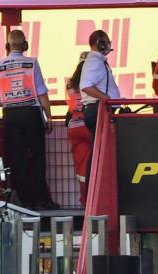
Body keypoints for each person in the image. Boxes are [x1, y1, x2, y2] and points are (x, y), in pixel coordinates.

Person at [0, 29, 56, 210]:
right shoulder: (32, 63)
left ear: (7, 46)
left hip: (10, 115)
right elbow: (41, 93)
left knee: (18, 158)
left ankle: (24, 201)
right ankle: (42, 200)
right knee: (37, 156)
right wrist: (49, 117)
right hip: (31, 113)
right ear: (25, 45)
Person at [80, 30, 121, 190]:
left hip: (98, 109)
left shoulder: (97, 61)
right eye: (107, 41)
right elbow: (86, 86)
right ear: (100, 43)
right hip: (98, 110)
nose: (109, 45)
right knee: (98, 153)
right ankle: (95, 189)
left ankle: (95, 189)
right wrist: (106, 99)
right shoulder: (94, 61)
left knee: (98, 152)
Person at [65, 52, 90, 205]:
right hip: (89, 126)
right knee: (96, 163)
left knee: (81, 166)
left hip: (74, 127)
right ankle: (95, 198)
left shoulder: (69, 83)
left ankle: (84, 200)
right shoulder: (92, 80)